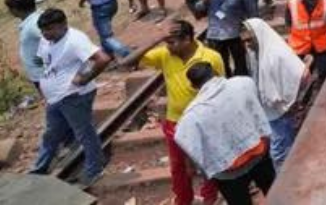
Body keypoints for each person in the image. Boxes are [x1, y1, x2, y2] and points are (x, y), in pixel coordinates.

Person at [120, 20, 224, 205]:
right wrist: (156, 38)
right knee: (179, 168)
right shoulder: (165, 54)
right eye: (166, 42)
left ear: (187, 40)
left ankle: (210, 198)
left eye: (171, 41)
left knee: (208, 163)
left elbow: (221, 90)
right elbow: (127, 62)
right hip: (175, 122)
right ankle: (183, 200)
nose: (167, 46)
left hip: (205, 122)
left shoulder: (211, 57)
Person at [29, 9, 112, 185]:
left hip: (74, 95)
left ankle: (94, 170)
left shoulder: (75, 40)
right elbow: (47, 63)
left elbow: (102, 59)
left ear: (62, 25)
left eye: (49, 30)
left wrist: (84, 78)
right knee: (51, 133)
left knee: (84, 133)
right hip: (56, 97)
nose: (45, 34)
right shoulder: (46, 39)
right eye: (43, 30)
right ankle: (39, 169)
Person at [175, 63, 275, 205]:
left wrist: (202, 169)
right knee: (275, 192)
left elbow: (183, 139)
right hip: (258, 152)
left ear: (193, 86)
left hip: (228, 172)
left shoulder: (191, 116)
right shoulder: (243, 83)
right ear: (215, 72)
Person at [241, 18, 308, 168]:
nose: (247, 44)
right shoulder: (254, 53)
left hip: (281, 112)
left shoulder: (277, 54)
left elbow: (303, 74)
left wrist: (291, 100)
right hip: (268, 111)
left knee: (279, 153)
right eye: (244, 41)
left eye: (250, 40)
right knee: (281, 148)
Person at [197, 0, 257, 77]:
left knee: (241, 65)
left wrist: (252, 28)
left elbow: (251, 7)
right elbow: (198, 9)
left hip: (234, 32)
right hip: (215, 34)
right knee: (221, 68)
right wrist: (204, 0)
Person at [284, 0, 326, 82]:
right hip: (299, 43)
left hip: (321, 42)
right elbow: (288, 23)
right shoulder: (292, 4)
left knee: (325, 72)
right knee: (296, 75)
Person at [5, 0, 43, 85]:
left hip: (44, 75)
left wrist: (46, 57)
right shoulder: (34, 19)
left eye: (10, 9)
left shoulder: (33, 24)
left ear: (15, 10)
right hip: (40, 73)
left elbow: (53, 38)